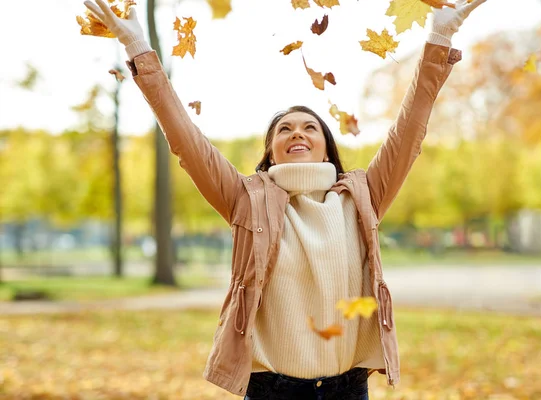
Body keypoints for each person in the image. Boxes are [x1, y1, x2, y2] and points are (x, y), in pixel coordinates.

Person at [83, 0, 487, 398]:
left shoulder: (363, 197)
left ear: (326, 149)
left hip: (347, 388)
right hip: (270, 390)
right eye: (285, 129)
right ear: (271, 151)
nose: (297, 133)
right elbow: (186, 140)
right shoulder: (247, 200)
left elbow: (409, 131)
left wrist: (440, 37)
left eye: (310, 127)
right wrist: (138, 48)